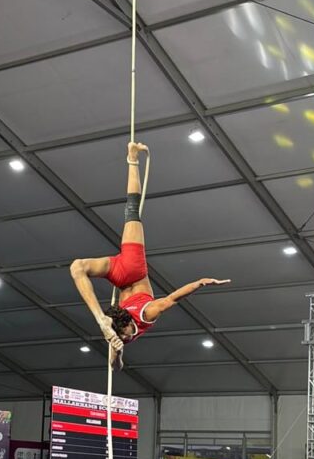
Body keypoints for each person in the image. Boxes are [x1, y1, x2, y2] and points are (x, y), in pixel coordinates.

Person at [70, 142, 230, 367]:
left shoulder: (120, 328)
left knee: (129, 214)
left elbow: (113, 365)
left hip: (128, 270)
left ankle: (132, 158)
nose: (124, 338)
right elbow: (171, 299)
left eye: (122, 335)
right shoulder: (142, 318)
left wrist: (116, 349)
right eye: (124, 336)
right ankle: (99, 317)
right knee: (81, 263)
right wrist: (199, 283)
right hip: (127, 272)